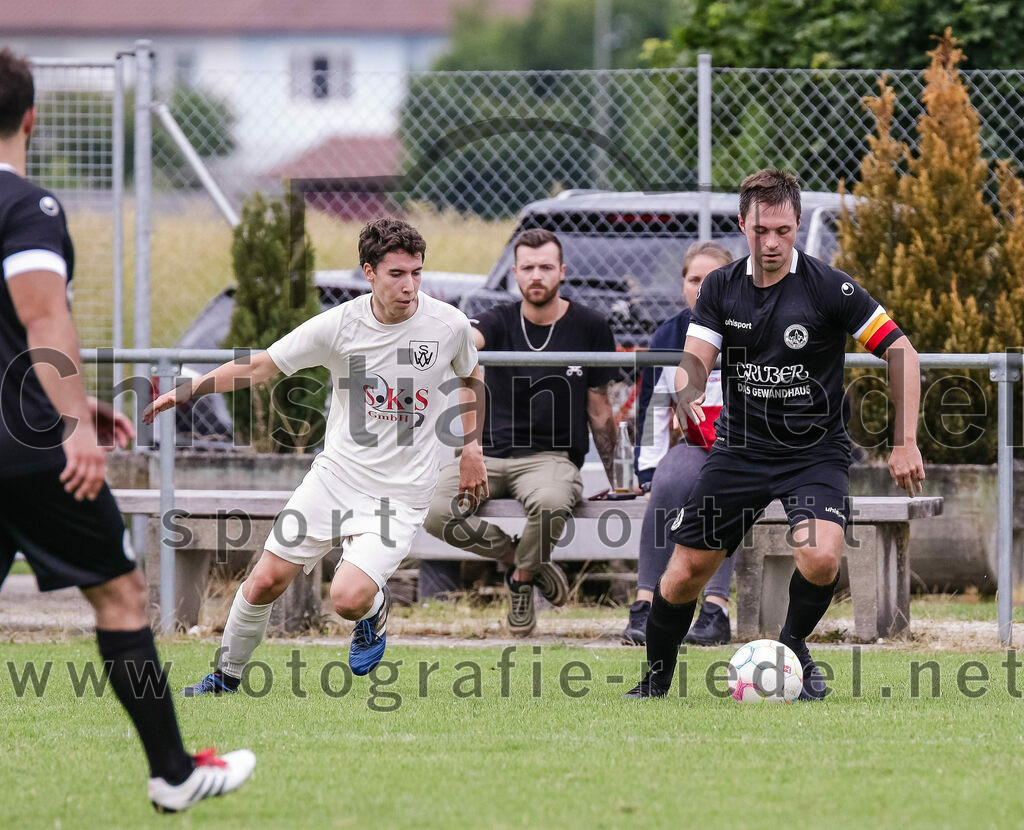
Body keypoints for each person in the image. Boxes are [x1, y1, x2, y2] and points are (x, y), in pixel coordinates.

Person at [0, 48, 255, 812]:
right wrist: (75, 425)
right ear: (33, 118)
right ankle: (174, 770)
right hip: (26, 448)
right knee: (120, 595)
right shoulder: (25, 207)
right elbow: (42, 314)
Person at [146, 217, 488, 691]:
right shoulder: (340, 325)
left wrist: (471, 447)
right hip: (335, 478)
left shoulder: (446, 323)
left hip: (401, 492)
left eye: (416, 273)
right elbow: (264, 363)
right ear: (368, 272)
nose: (409, 286)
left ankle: (374, 611)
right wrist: (192, 389)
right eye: (396, 274)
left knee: (348, 598)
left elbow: (473, 376)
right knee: (265, 580)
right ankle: (225, 677)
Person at [626, 168, 925, 700]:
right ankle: (654, 683)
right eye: (761, 230)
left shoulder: (830, 287)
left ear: (797, 225)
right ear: (743, 224)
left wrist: (904, 442)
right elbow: (693, 362)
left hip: (814, 453)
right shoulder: (720, 287)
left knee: (821, 555)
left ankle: (791, 647)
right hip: (740, 451)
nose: (771, 243)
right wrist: (686, 391)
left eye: (783, 231)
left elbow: (900, 351)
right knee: (683, 574)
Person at [423, 228, 619, 635]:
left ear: (562, 271)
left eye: (546, 267)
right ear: (514, 272)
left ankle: (522, 583)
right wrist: (470, 449)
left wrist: (618, 478)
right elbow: (469, 343)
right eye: (527, 268)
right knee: (435, 512)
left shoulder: (590, 325)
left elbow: (600, 410)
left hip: (550, 458)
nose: (536, 276)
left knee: (550, 503)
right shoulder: (497, 319)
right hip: (487, 454)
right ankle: (521, 561)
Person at [622, 240, 732, 647]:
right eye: (694, 279)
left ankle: (715, 610)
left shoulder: (747, 325)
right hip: (696, 441)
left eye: (713, 280)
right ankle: (645, 605)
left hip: (746, 446)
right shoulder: (669, 333)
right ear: (682, 284)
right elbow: (653, 408)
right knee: (667, 484)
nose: (702, 289)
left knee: (726, 491)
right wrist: (646, 470)